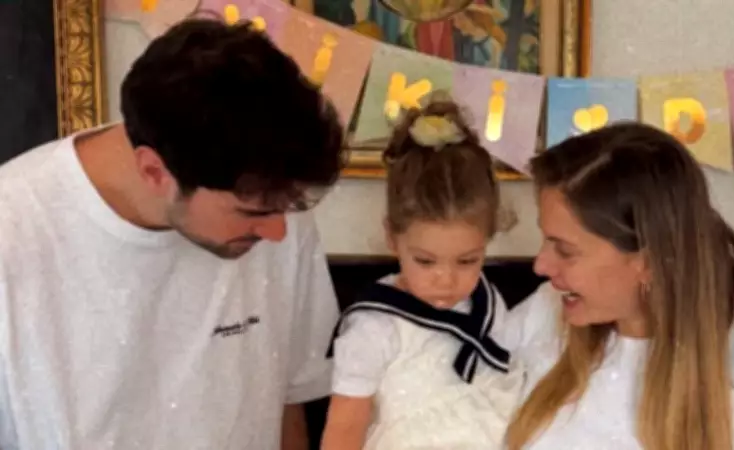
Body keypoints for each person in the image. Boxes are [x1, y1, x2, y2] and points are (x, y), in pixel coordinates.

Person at [0, 17, 346, 449]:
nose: (278, 232)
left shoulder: (274, 198)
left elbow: (287, 397)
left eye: (287, 209)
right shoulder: (14, 233)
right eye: (251, 213)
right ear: (153, 171)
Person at [504, 122, 734, 450]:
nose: (540, 266)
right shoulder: (543, 314)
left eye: (565, 251)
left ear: (649, 262)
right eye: (546, 239)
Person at [320, 97, 525, 449]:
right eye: (426, 262)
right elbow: (344, 430)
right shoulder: (374, 327)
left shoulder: (488, 303)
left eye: (467, 261)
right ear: (392, 238)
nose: (446, 279)